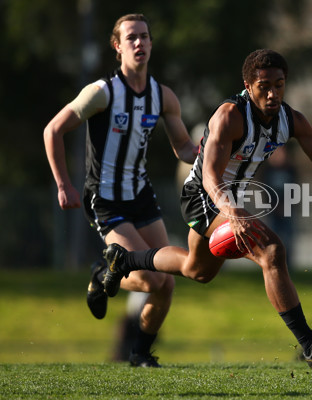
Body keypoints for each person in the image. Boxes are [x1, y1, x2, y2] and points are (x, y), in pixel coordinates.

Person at [100, 49, 312, 371]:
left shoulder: (292, 119)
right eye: (264, 86)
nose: (272, 93)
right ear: (248, 85)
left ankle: (124, 259)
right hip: (203, 195)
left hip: (229, 200)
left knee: (197, 270)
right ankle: (310, 345)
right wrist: (232, 211)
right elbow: (209, 176)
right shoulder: (229, 116)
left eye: (279, 84)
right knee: (271, 250)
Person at [43, 13, 198, 367]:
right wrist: (63, 185)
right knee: (148, 279)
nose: (139, 43)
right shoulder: (102, 92)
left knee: (167, 284)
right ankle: (102, 272)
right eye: (131, 38)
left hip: (141, 197)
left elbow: (185, 149)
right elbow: (52, 130)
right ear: (118, 47)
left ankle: (140, 354)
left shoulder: (163, 96)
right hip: (106, 199)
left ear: (152, 43)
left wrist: (214, 149)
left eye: (145, 36)